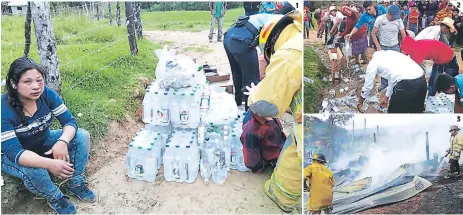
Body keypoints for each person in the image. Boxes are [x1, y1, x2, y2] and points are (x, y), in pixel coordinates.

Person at [1, 57, 95, 214]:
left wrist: (62, 141)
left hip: (42, 140)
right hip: (12, 155)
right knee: (35, 170)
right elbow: (15, 153)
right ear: (13, 84)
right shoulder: (3, 109)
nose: (36, 86)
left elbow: (70, 122)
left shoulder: (46, 95)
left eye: (39, 80)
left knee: (81, 136)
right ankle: (55, 197)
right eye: (28, 82)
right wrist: (50, 164)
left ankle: (75, 183)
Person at [245, 10, 302, 213]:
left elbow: (265, 103)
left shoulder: (288, 54)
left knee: (298, 151)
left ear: (272, 41)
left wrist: (254, 96)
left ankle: (282, 197)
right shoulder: (298, 37)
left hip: (307, 125)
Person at [223, 13, 283, 109]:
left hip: (228, 36)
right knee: (252, 79)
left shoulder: (269, 17)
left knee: (237, 72)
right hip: (241, 39)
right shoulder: (283, 22)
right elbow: (270, 48)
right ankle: (250, 111)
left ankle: (238, 103)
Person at [357, 48, 427, 113]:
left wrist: (360, 102)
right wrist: (386, 97)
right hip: (422, 80)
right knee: (416, 113)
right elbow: (393, 78)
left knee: (394, 114)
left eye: (366, 62)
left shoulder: (373, 62)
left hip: (407, 83)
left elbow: (367, 86)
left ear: (367, 57)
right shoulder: (389, 53)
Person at [371, 4, 406, 91]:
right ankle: (384, 84)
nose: (395, 18)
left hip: (395, 47)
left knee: (395, 67)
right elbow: (373, 33)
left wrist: (403, 47)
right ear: (389, 14)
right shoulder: (380, 19)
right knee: (384, 67)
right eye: (393, 16)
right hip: (383, 47)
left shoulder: (398, 20)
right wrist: (378, 47)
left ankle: (395, 83)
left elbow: (403, 34)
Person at [326, 5, 346, 85]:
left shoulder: (339, 15)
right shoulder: (335, 16)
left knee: (337, 48)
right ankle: (338, 59)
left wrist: (332, 30)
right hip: (339, 32)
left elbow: (337, 23)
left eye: (331, 12)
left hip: (342, 32)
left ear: (334, 11)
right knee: (337, 47)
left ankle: (339, 60)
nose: (331, 14)